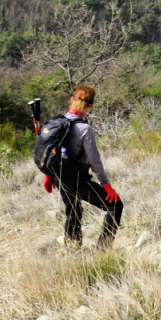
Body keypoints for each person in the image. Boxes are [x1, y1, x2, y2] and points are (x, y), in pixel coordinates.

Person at [42, 85, 123, 249]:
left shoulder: (55, 124)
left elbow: (47, 152)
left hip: (59, 178)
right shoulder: (85, 129)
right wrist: (106, 186)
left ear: (72, 100)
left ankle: (73, 252)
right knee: (115, 206)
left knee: (73, 212)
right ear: (91, 105)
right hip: (77, 180)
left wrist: (48, 176)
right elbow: (95, 161)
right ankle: (102, 249)